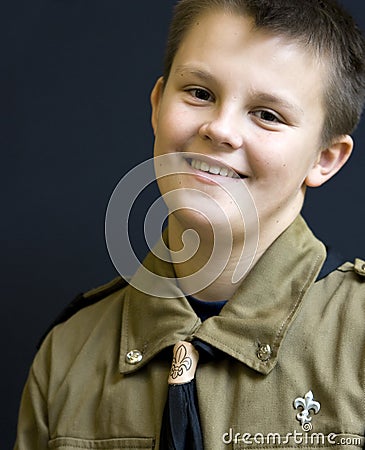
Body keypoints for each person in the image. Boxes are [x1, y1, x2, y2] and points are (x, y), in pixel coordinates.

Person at [14, 0, 365, 449]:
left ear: (324, 159)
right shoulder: (69, 353)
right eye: (200, 93)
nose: (219, 129)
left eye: (267, 114)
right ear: (158, 104)